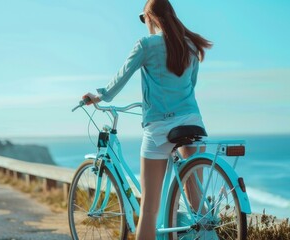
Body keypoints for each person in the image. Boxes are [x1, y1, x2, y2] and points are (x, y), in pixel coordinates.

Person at [83, 0, 212, 238]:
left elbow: (118, 81)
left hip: (160, 127)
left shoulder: (146, 44)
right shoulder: (191, 45)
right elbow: (190, 87)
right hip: (193, 122)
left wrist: (98, 96)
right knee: (197, 202)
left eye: (144, 18)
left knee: (149, 210)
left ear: (150, 17)